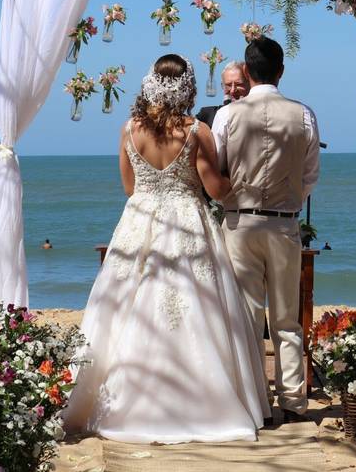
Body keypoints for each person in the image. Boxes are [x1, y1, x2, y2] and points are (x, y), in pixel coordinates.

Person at [62, 54, 268, 442]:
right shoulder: (197, 131)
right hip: (188, 222)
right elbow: (215, 189)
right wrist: (241, 181)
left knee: (127, 305)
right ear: (187, 87)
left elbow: (129, 187)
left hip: (139, 221)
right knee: (195, 306)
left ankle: (117, 403)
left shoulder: (129, 129)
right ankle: (204, 403)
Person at [212, 36, 320, 422]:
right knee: (286, 319)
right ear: (281, 70)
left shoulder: (228, 115)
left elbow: (218, 169)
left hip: (240, 221)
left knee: (247, 315)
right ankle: (292, 403)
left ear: (247, 70)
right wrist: (288, 200)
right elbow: (310, 176)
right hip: (285, 223)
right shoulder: (304, 114)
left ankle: (256, 402)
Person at [196, 61, 249, 128]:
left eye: (238, 84)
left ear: (250, 84)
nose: (232, 90)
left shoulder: (260, 113)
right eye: (228, 85)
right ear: (222, 86)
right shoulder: (207, 115)